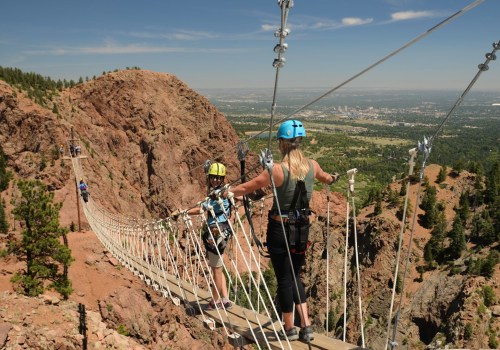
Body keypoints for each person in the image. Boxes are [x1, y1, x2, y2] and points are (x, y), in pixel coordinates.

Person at [229, 120, 338, 342]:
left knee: (284, 279)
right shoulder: (313, 166)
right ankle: (305, 325)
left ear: (282, 144)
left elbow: (247, 187)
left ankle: (289, 328)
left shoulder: (277, 170)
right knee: (295, 275)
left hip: (280, 230)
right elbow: (327, 178)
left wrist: (226, 192)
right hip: (302, 229)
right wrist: (333, 178)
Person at [174, 162, 234, 311]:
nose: (215, 180)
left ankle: (215, 301)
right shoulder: (219, 192)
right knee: (219, 266)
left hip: (215, 233)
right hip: (224, 231)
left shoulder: (219, 195)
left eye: (218, 178)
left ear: (222, 178)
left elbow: (200, 209)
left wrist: (183, 212)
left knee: (216, 270)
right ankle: (225, 298)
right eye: (213, 177)